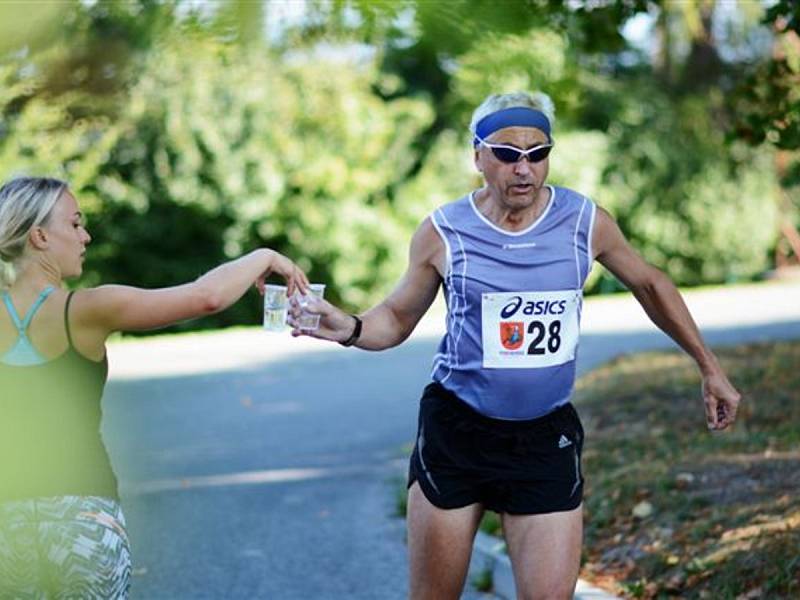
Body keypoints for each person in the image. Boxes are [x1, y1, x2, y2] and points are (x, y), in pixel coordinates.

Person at [289, 91, 741, 600]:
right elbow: (394, 317)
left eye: (537, 152)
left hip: (543, 437)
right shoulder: (444, 231)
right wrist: (348, 327)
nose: (523, 168)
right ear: (478, 155)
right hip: (457, 432)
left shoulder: (584, 221)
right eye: (507, 154)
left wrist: (709, 367)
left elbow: (652, 284)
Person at [0, 176, 308, 598]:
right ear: (39, 236)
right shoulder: (87, 309)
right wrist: (265, 255)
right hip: (83, 519)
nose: (85, 236)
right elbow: (205, 297)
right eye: (74, 224)